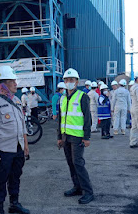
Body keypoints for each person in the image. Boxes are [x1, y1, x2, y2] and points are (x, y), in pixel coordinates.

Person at [0, 66, 30, 214]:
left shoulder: (16, 100)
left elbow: (22, 125)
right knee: (0, 179)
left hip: (18, 148)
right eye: (12, 81)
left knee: (16, 176)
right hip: (3, 149)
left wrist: (26, 145)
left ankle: (14, 203)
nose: (16, 84)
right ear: (2, 84)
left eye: (15, 81)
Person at [58, 68, 94, 204]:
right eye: (66, 80)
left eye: (71, 80)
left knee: (78, 163)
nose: (69, 82)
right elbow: (61, 118)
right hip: (66, 136)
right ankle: (77, 187)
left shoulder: (82, 96)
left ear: (77, 81)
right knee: (71, 163)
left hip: (78, 137)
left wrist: (87, 137)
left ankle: (88, 191)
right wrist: (59, 137)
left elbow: (87, 118)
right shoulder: (62, 98)